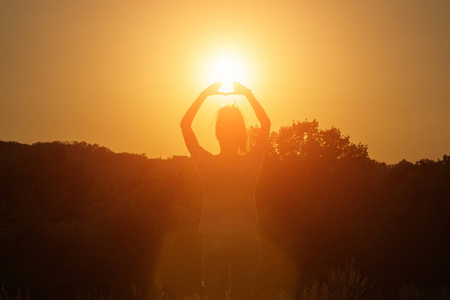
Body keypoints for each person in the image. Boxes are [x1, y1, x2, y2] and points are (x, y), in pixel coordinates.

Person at [180, 82, 271, 299]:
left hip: (215, 242)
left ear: (217, 133)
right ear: (241, 133)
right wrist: (247, 93)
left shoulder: (207, 163)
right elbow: (266, 123)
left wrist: (205, 94)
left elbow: (185, 125)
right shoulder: (251, 162)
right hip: (247, 241)